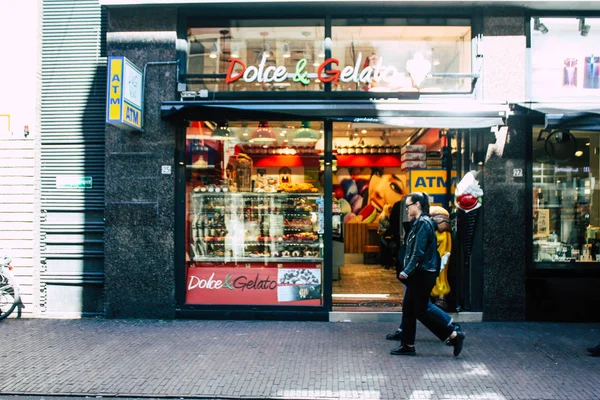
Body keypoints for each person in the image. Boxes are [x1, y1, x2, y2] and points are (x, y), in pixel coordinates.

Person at [390, 192, 465, 357]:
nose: (407, 209)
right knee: (410, 309)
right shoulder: (418, 223)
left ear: (417, 205)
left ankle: (453, 335)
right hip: (420, 273)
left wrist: (406, 271)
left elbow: (418, 252)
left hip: (422, 274)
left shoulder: (423, 224)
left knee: (420, 310)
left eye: (409, 206)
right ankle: (408, 345)